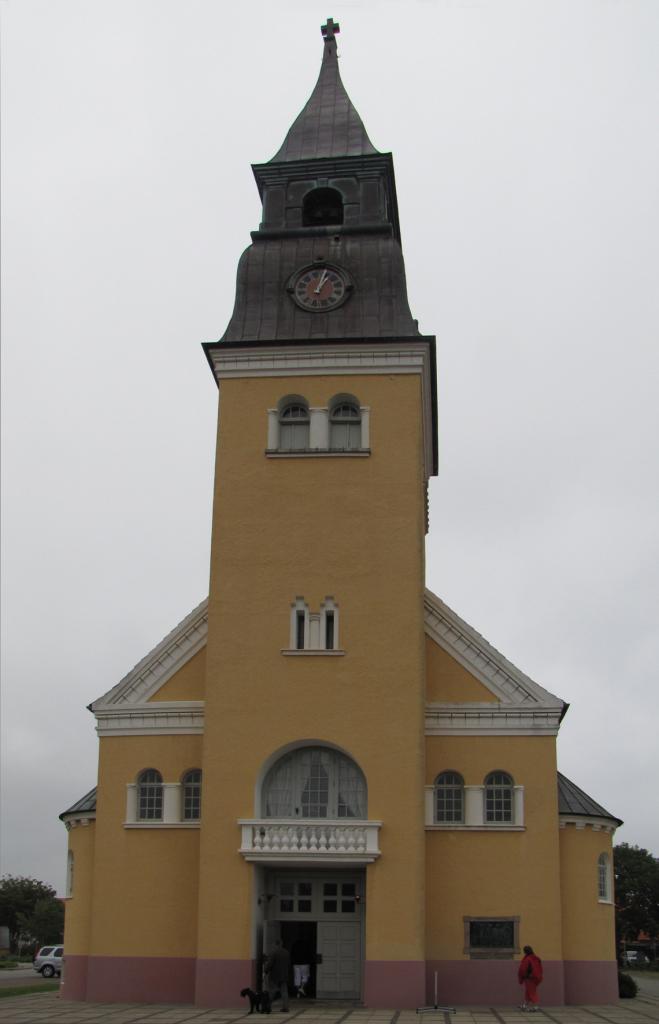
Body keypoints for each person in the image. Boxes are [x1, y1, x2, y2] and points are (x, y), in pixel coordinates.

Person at [266, 939, 290, 1012]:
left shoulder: (273, 953)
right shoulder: (286, 952)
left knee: (272, 991)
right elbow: (289, 964)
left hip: (274, 975)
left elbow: (270, 964)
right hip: (284, 975)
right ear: (281, 944)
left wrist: (265, 970)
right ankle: (285, 1007)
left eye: (273, 944)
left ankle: (268, 1006)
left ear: (276, 944)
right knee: (284, 992)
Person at [518, 945, 543, 1012]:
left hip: (529, 978)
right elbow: (540, 968)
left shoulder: (527, 959)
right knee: (528, 991)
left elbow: (523, 969)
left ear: (525, 952)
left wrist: (522, 977)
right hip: (536, 978)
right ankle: (525, 1005)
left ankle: (535, 1006)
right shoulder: (536, 958)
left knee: (531, 992)